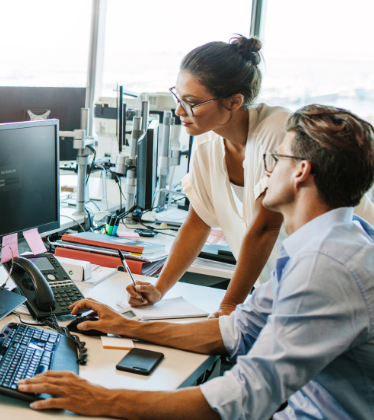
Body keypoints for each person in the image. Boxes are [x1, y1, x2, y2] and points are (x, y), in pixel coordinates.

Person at [19, 104, 374, 419]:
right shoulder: (327, 245)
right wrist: (126, 326)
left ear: (300, 172)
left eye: (275, 159)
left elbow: (246, 395)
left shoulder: (325, 265)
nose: (266, 171)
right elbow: (237, 331)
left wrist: (102, 398)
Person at [126, 35, 374, 317]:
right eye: (178, 97)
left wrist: (229, 307)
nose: (179, 111)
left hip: (340, 281)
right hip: (283, 288)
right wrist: (160, 288)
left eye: (192, 102)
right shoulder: (207, 142)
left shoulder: (279, 134)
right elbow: (198, 222)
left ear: (234, 102)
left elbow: (265, 229)